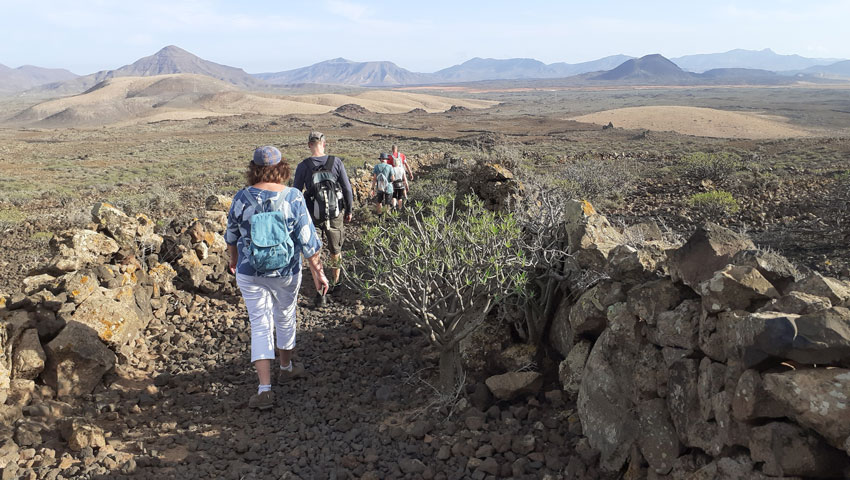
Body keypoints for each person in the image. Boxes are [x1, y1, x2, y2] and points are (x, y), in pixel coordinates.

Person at [226, 146, 329, 410]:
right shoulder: (293, 197)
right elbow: (308, 241)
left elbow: (232, 236)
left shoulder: (241, 197)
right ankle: (286, 366)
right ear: (281, 168)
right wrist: (318, 272)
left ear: (254, 169)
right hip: (286, 271)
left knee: (260, 324)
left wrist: (234, 261)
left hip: (251, 273)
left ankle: (264, 389)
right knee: (285, 315)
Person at [293, 131, 354, 297]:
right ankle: (336, 282)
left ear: (309, 145)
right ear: (324, 143)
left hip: (313, 215)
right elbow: (347, 188)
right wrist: (349, 209)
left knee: (314, 252)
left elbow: (296, 193)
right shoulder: (336, 162)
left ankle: (321, 291)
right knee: (336, 250)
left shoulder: (303, 166)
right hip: (335, 214)